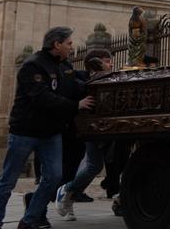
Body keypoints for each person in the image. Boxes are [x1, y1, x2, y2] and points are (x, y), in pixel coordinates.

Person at [0, 27, 94, 229]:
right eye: (69, 43)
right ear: (57, 44)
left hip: (51, 133)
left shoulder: (65, 66)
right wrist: (75, 105)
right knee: (8, 181)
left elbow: (77, 83)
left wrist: (99, 76)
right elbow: (42, 98)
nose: (72, 47)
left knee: (54, 177)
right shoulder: (33, 66)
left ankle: (29, 220)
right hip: (24, 132)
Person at [56, 49, 113, 221]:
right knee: (89, 166)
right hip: (79, 130)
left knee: (93, 166)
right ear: (95, 62)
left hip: (101, 128)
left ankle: (68, 195)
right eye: (106, 60)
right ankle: (64, 193)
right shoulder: (79, 77)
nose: (110, 64)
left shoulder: (110, 78)